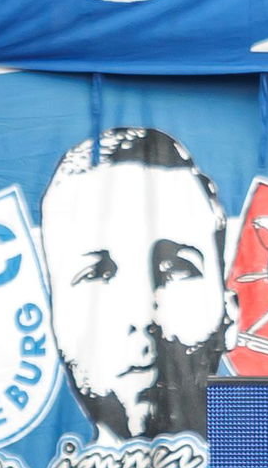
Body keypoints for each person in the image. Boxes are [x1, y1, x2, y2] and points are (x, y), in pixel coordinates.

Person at [39, 127, 234, 442]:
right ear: (53, 319)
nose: (142, 316)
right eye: (97, 272)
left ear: (230, 314)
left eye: (175, 269)